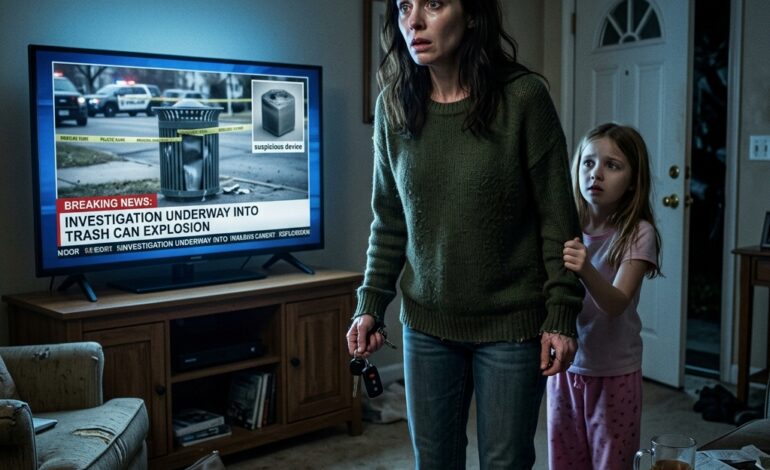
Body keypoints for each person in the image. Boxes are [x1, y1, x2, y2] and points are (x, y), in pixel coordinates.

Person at [345, 0, 584, 468]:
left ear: (472, 14)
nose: (414, 21)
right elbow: (389, 220)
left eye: (433, 4)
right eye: (404, 6)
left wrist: (561, 313)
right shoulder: (393, 105)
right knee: (434, 461)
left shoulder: (523, 98)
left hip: (511, 326)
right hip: (426, 326)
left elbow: (558, 221)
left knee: (505, 462)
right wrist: (370, 303)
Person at [547, 123, 662, 470]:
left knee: (611, 462)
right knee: (565, 459)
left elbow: (616, 303)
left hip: (615, 373)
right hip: (565, 369)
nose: (596, 173)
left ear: (633, 180)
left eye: (612, 165)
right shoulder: (564, 227)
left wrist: (585, 268)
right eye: (589, 162)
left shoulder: (638, 233)